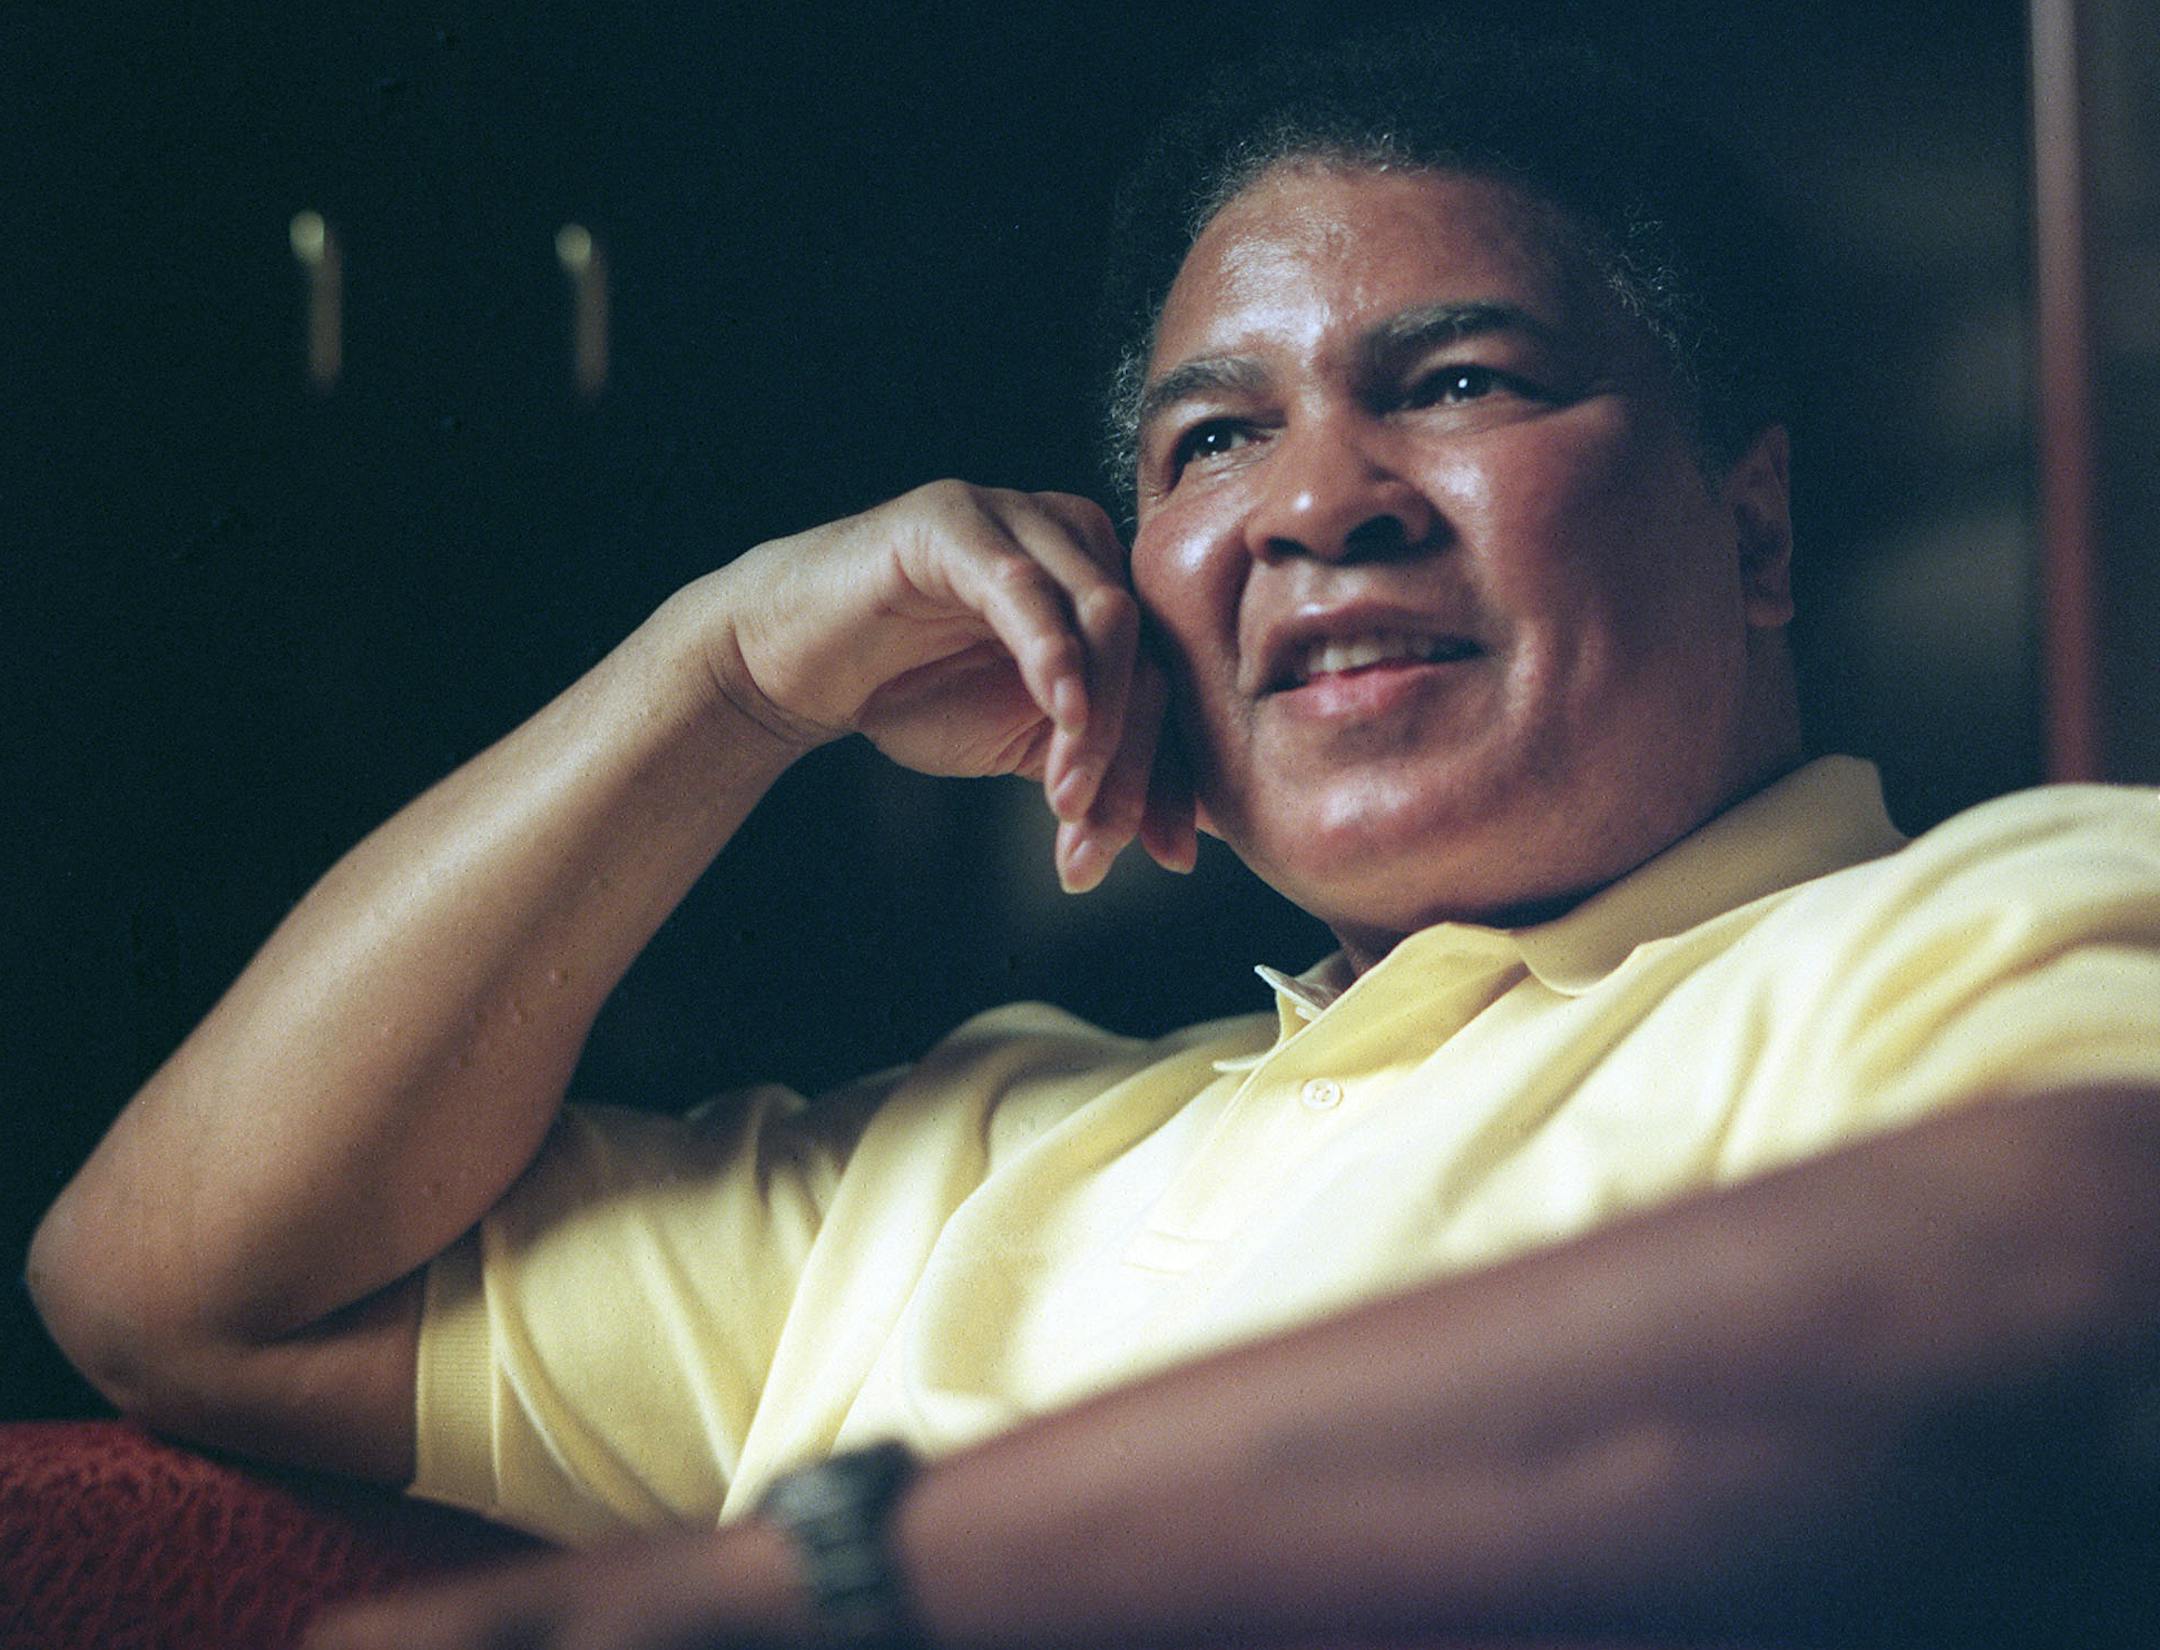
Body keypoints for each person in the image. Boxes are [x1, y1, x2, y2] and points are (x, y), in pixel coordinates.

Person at [27, 26, 2160, 1650]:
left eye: (1462, 382)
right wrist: (717, 686)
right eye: (1216, 434)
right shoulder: (967, 1164)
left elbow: (2076, 1264)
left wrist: (816, 1586)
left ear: (1755, 522)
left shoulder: (1994, 913)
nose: (1323, 499)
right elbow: (177, 1294)